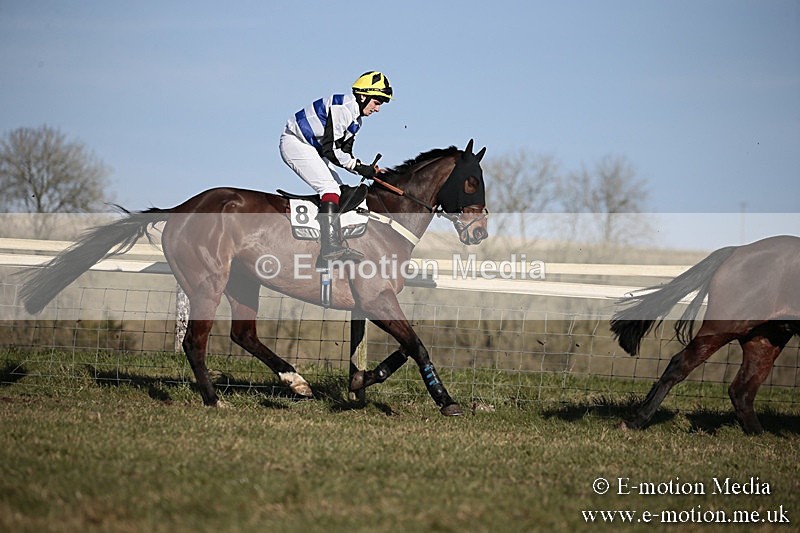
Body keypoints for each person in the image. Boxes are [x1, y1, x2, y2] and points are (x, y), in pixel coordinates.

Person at [280, 71, 393, 262]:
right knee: (330, 188)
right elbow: (331, 150)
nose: (378, 109)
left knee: (339, 190)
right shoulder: (343, 109)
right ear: (363, 95)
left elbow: (344, 154)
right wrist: (359, 167)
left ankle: (333, 241)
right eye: (377, 102)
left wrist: (366, 168)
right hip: (296, 142)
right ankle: (329, 246)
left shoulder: (356, 120)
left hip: (314, 148)